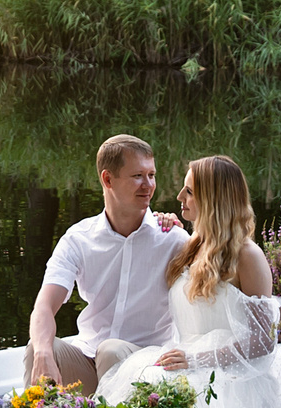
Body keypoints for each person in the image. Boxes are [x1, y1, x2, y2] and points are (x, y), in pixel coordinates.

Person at [95, 155, 281, 408]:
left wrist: (196, 360)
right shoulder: (193, 245)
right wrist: (163, 225)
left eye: (189, 191)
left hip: (229, 380)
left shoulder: (248, 256)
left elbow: (262, 341)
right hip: (185, 360)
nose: (180, 196)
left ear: (213, 199)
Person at [26, 134, 181, 392]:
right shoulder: (79, 239)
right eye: (138, 176)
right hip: (89, 359)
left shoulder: (173, 239)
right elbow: (43, 307)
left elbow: (214, 273)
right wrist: (43, 353)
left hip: (150, 369)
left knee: (112, 349)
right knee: (39, 347)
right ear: (108, 179)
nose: (149, 185)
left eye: (151, 175)